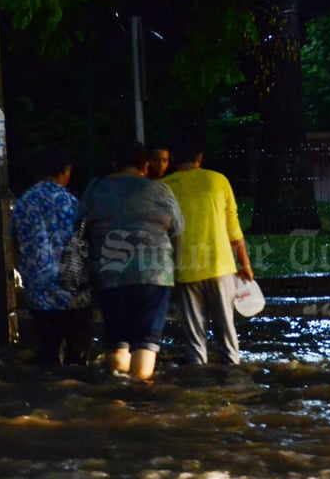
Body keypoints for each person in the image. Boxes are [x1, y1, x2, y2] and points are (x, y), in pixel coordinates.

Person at [78, 142, 183, 380]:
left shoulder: (96, 189)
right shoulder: (160, 190)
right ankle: (140, 397)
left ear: (114, 163)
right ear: (145, 164)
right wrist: (176, 268)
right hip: (153, 274)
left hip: (109, 272)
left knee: (117, 340)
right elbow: (177, 230)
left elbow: (79, 227)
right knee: (145, 342)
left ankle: (119, 396)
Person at [162, 136, 254, 366]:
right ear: (199, 158)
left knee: (194, 337)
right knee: (226, 329)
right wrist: (245, 264)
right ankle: (232, 373)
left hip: (185, 269)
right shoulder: (218, 180)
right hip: (220, 266)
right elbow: (233, 227)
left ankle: (198, 381)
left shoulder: (165, 186)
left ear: (173, 159)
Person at [11, 147, 93, 366]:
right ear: (65, 171)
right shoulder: (70, 202)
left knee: (48, 356)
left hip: (38, 292)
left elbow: (15, 242)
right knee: (78, 359)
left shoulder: (23, 202)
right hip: (71, 292)